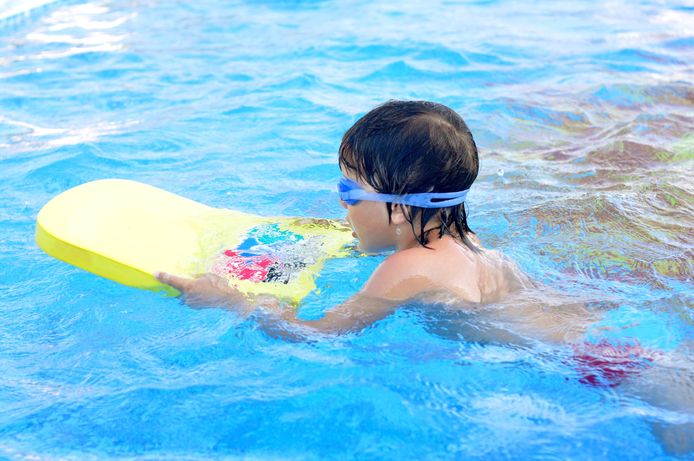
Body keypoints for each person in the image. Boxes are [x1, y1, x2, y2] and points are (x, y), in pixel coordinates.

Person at [156, 100, 532, 334]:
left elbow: (319, 334)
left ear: (399, 208)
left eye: (348, 192)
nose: (341, 204)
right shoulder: (469, 244)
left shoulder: (406, 269)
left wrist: (232, 301)